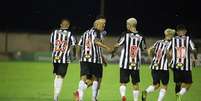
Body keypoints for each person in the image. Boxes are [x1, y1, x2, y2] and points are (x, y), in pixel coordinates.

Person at [74, 16, 112, 101]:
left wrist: (78, 55)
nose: (104, 25)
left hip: (84, 59)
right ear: (97, 24)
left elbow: (79, 45)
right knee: (96, 79)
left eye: (105, 23)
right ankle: (94, 98)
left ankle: (79, 96)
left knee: (84, 79)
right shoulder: (97, 32)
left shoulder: (85, 33)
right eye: (103, 24)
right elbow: (96, 42)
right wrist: (107, 47)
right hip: (95, 60)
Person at [112, 18, 146, 101]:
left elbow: (117, 45)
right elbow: (143, 48)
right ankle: (135, 100)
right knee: (135, 83)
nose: (126, 26)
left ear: (130, 25)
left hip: (125, 63)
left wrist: (113, 52)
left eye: (127, 24)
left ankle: (123, 96)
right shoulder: (141, 36)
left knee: (123, 82)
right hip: (135, 64)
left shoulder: (125, 34)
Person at [141, 28, 175, 101]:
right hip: (164, 67)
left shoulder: (158, 42)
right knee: (164, 86)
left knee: (156, 85)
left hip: (154, 65)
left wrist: (151, 59)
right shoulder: (172, 44)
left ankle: (146, 91)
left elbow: (149, 50)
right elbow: (169, 54)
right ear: (171, 35)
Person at [50, 18, 76, 101]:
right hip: (64, 58)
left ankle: (55, 95)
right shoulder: (70, 34)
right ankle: (56, 95)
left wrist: (53, 53)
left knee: (57, 75)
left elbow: (51, 44)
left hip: (55, 57)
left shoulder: (54, 32)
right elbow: (74, 45)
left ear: (60, 25)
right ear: (68, 26)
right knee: (61, 76)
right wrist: (74, 55)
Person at [171, 25, 197, 101]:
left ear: (177, 32)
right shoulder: (188, 39)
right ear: (185, 31)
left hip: (175, 65)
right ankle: (180, 94)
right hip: (186, 66)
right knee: (189, 83)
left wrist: (170, 62)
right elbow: (194, 50)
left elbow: (167, 51)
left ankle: (177, 98)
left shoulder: (173, 39)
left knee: (178, 83)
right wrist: (195, 59)